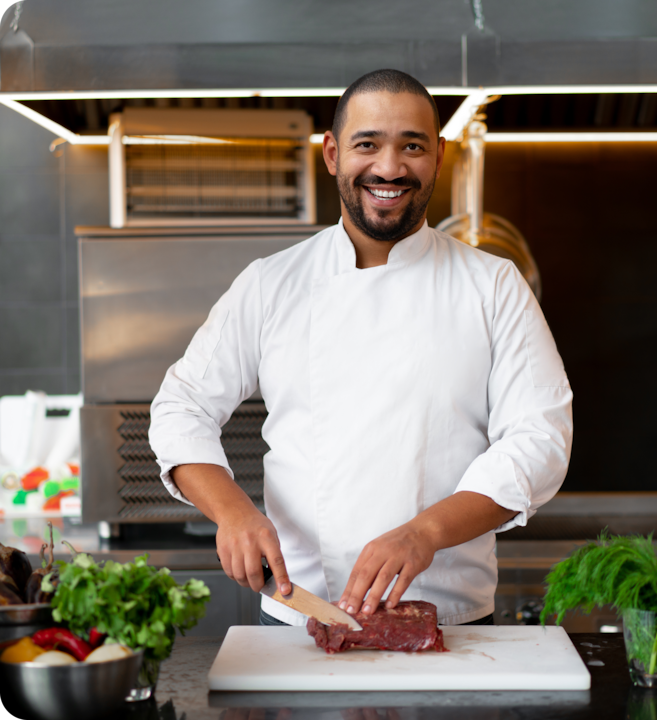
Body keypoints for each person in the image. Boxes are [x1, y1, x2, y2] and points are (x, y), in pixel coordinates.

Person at [149, 69, 573, 627]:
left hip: (450, 623)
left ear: (439, 156)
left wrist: (426, 532)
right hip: (302, 615)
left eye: (412, 146)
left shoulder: (493, 285)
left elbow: (540, 438)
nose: (390, 167)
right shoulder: (271, 283)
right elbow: (182, 407)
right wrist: (232, 512)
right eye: (367, 144)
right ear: (331, 153)